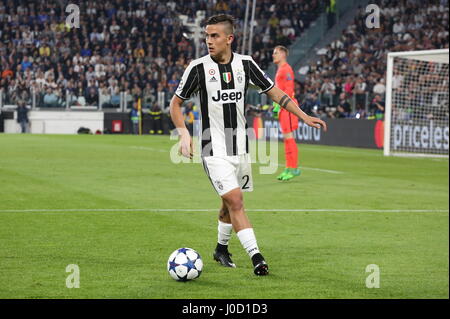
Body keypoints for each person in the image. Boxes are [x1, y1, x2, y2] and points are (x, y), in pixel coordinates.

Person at [169, 14, 327, 276]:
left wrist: (303, 115)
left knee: (227, 204)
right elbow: (175, 103)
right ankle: (257, 257)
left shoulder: (246, 64)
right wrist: (184, 134)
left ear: (229, 38)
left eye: (214, 36)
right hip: (212, 147)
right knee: (236, 200)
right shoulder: (198, 68)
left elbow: (275, 92)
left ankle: (221, 249)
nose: (209, 41)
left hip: (240, 147)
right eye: (207, 35)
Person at [272, 45, 301, 181]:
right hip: (283, 107)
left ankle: (293, 168)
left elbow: (289, 90)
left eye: (276, 53)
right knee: (286, 138)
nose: (273, 55)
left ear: (283, 54)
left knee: (289, 138)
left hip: (288, 107)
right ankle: (288, 167)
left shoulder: (286, 69)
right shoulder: (280, 70)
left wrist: (280, 104)